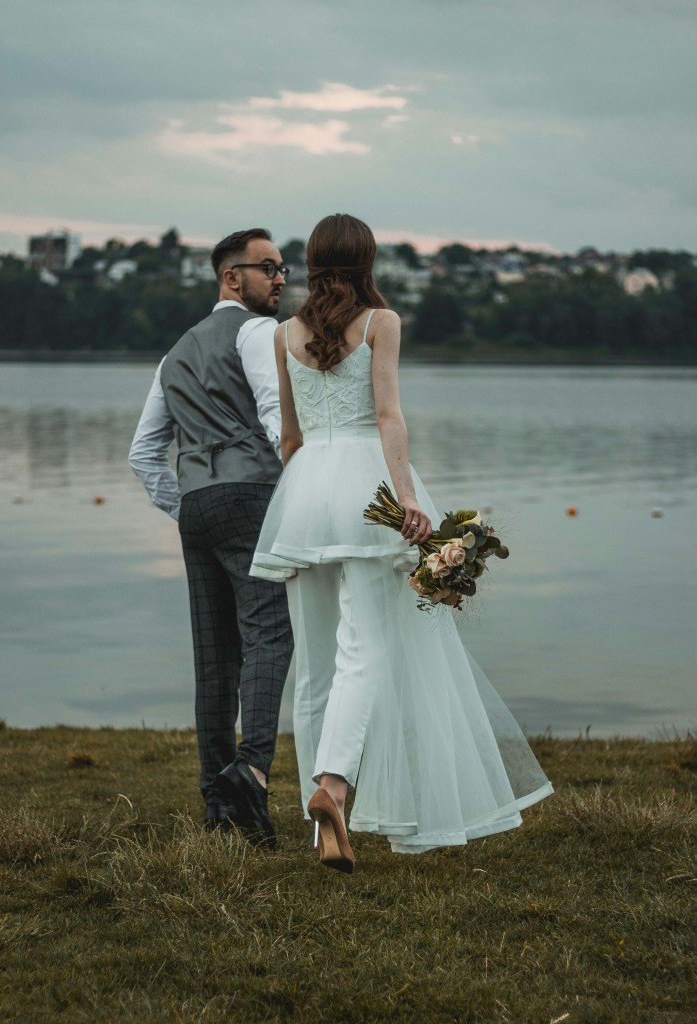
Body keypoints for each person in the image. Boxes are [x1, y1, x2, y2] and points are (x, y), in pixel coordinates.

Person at [250, 214, 552, 872]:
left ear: (310, 263)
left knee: (314, 668)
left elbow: (290, 438)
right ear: (367, 260)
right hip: (365, 488)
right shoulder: (380, 323)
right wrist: (408, 496)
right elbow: (387, 414)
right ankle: (333, 786)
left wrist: (302, 501)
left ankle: (321, 828)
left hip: (305, 493)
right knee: (365, 649)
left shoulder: (282, 334)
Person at [129, 228, 294, 848]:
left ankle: (217, 805)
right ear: (233, 277)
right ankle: (250, 771)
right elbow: (280, 417)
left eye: (283, 268)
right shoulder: (255, 333)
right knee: (270, 633)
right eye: (269, 268)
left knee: (215, 656)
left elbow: (143, 454)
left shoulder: (173, 354)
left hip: (197, 506)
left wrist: (188, 504)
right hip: (252, 496)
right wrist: (295, 497)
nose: (282, 278)